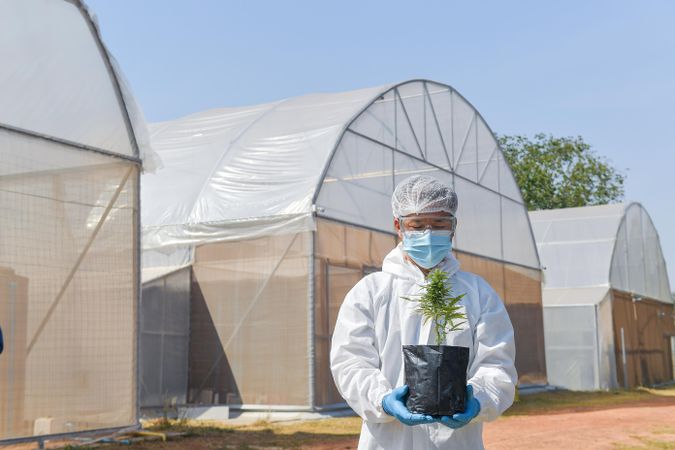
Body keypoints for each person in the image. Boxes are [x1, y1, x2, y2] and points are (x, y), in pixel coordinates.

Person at [330, 174, 517, 450]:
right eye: (417, 225)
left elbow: (497, 366)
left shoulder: (477, 293)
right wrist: (383, 399)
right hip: (388, 442)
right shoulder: (370, 292)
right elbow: (350, 363)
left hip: (457, 442)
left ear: (453, 228)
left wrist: (477, 400)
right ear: (398, 226)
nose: (428, 234)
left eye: (439, 224)